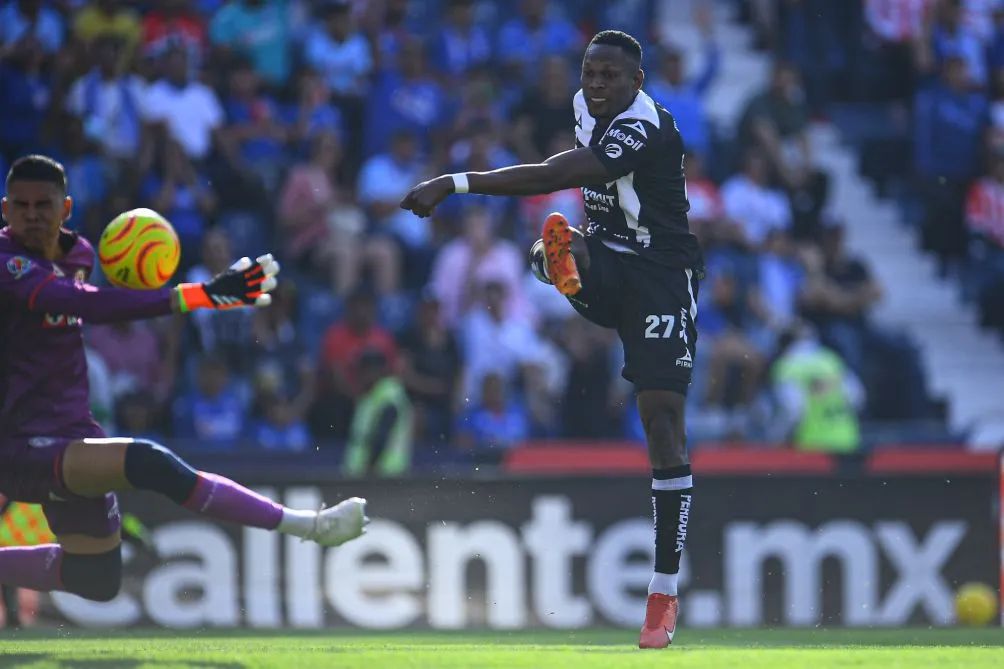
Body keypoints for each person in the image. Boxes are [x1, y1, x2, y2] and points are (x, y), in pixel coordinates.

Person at [400, 31, 702, 649]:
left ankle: (663, 592)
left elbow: (551, 172)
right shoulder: (582, 106)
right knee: (565, 242)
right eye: (590, 74)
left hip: (662, 278)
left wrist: (455, 183)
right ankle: (558, 265)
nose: (596, 86)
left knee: (663, 426)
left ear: (637, 83)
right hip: (609, 263)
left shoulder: (645, 128)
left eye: (610, 77)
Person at [0, 155, 368, 605]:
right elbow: (88, 305)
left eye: (44, 204)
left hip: (73, 432)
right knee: (149, 461)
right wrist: (198, 295)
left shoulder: (81, 254)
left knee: (94, 577)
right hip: (20, 442)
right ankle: (309, 525)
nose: (32, 215)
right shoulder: (7, 264)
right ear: (5, 210)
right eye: (21, 206)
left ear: (67, 208)